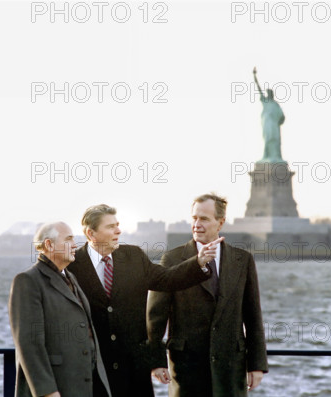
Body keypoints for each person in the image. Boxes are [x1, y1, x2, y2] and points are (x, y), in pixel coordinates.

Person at [67, 204, 220, 397]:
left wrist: (198, 262)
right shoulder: (72, 265)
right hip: (93, 372)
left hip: (133, 373)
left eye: (118, 224)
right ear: (91, 233)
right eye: (110, 227)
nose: (118, 230)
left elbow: (168, 278)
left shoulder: (133, 256)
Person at [147, 194, 268, 396]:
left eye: (204, 219)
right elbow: (155, 317)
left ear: (220, 222)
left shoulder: (243, 260)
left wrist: (256, 364)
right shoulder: (172, 259)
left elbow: (253, 315)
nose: (196, 224)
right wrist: (156, 361)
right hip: (186, 370)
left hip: (230, 369)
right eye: (194, 218)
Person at [8, 222, 111, 397]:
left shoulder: (71, 278)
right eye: (68, 239)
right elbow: (29, 343)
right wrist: (47, 391)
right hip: (57, 388)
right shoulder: (28, 281)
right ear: (49, 245)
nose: (75, 245)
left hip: (87, 385)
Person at [254, 67, 286, 163]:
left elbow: (282, 117)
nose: (268, 94)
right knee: (268, 139)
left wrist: (279, 119)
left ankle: (276, 155)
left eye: (270, 93)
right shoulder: (265, 101)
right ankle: (266, 154)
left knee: (275, 140)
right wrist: (254, 77)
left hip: (274, 124)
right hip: (267, 122)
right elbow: (259, 89)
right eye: (267, 93)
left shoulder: (275, 104)